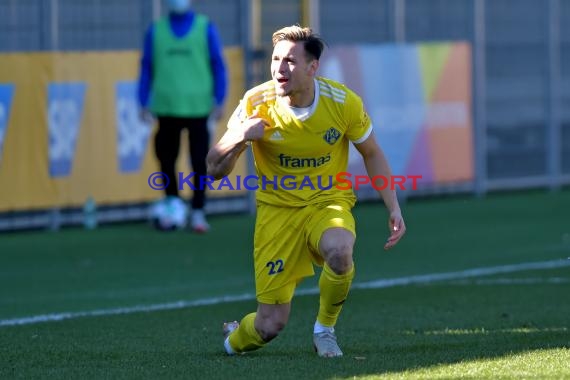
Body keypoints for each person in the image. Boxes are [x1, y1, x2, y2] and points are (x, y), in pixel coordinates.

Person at [206, 25, 406, 357]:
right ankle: (235, 336)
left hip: (327, 202)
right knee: (268, 327)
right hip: (277, 213)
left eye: (290, 61)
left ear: (313, 67)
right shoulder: (256, 101)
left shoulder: (342, 102)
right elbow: (214, 169)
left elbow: (371, 152)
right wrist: (240, 135)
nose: (279, 69)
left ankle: (325, 330)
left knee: (341, 252)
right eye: (275, 59)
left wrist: (393, 206)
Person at [138, 0, 227, 233]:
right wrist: (142, 100)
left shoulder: (205, 27)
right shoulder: (156, 30)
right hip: (166, 108)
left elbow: (218, 65)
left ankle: (198, 210)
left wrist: (220, 98)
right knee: (166, 160)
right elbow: (146, 66)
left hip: (198, 108)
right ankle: (172, 204)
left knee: (199, 162)